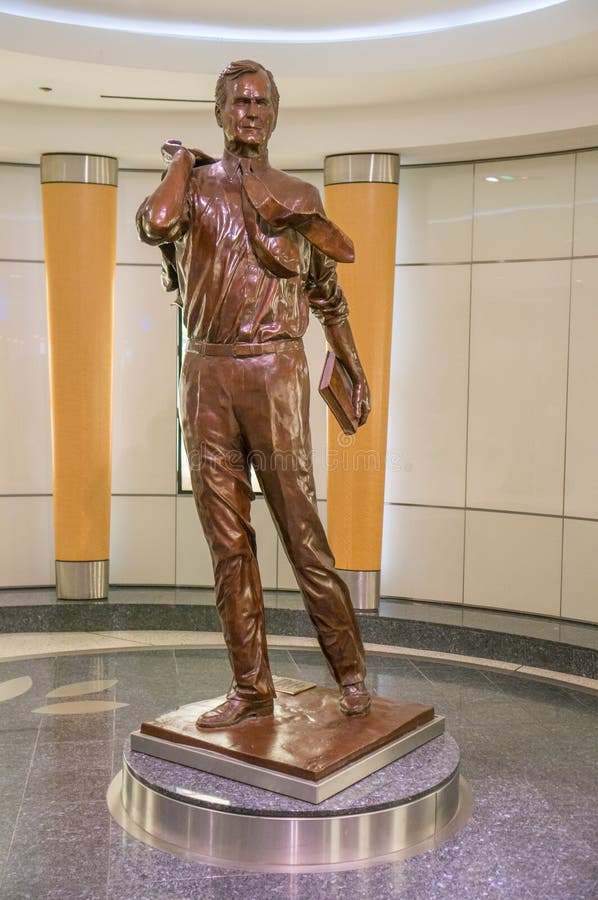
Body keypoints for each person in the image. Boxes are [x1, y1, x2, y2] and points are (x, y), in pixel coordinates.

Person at [137, 59, 371, 728]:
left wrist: (354, 369)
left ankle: (351, 674)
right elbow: (156, 223)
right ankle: (251, 686)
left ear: (274, 113)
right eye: (238, 101)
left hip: (274, 372)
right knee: (227, 543)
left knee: (301, 529)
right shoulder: (192, 189)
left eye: (261, 101)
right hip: (206, 375)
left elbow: (328, 293)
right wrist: (182, 162)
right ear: (220, 111)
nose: (250, 111)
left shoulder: (298, 194)